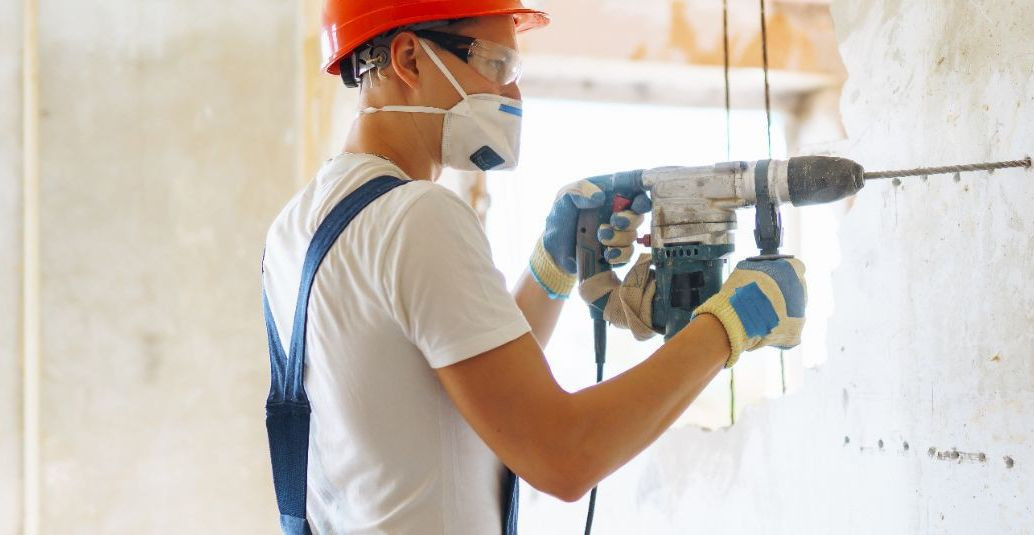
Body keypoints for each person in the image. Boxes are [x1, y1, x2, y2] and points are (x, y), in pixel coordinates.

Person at [259, 1, 809, 533]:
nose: (513, 93)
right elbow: (564, 454)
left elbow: (471, 386)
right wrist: (730, 324)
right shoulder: (417, 215)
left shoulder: (295, 227)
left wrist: (552, 268)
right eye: (497, 66)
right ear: (408, 59)